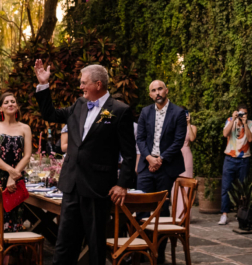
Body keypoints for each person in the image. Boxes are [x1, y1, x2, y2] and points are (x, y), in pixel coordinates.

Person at [33, 61, 135, 265]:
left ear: (98, 84)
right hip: (72, 185)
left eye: (83, 83)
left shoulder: (120, 110)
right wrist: (43, 85)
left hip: (98, 188)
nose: (80, 87)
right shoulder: (79, 104)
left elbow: (129, 153)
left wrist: (122, 184)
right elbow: (50, 114)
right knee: (64, 243)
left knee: (95, 245)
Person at [136, 80, 187, 263]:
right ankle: (142, 252)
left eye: (159, 89)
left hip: (167, 166)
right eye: (153, 90)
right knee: (141, 207)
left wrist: (160, 159)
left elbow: (178, 141)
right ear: (150, 94)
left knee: (161, 209)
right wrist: (149, 158)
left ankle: (158, 254)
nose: (157, 92)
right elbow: (140, 138)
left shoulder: (179, 113)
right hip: (146, 165)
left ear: (166, 90)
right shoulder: (145, 112)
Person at [0, 92, 32, 233]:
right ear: (0, 108)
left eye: (13, 101)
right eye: (6, 102)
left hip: (16, 179)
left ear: (17, 106)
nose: (10, 104)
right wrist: (10, 171)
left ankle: (11, 254)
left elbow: (27, 155)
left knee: (14, 216)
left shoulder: (25, 128)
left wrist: (13, 176)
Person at [218, 103, 252, 225]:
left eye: (244, 113)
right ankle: (224, 214)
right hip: (230, 158)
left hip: (244, 159)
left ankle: (240, 213)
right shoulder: (230, 120)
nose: (242, 116)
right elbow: (225, 134)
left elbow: (250, 139)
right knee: (226, 187)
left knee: (242, 188)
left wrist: (245, 124)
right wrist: (234, 119)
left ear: (247, 114)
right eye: (240, 113)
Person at [173, 107, 197, 219]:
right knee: (174, 186)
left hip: (186, 155)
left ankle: (184, 214)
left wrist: (188, 123)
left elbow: (192, 138)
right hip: (174, 155)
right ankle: (175, 212)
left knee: (186, 185)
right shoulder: (174, 126)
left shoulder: (192, 127)